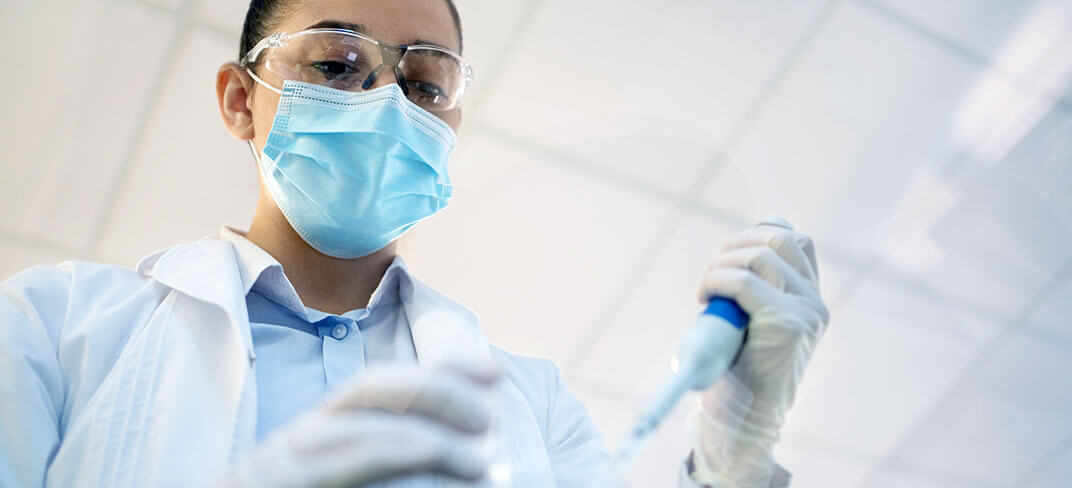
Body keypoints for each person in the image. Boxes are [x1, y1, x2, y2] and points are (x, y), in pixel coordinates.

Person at [0, 0, 830, 486]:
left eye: (426, 83)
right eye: (337, 64)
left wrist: (738, 447)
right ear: (238, 100)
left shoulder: (534, 405)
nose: (389, 103)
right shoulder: (50, 327)